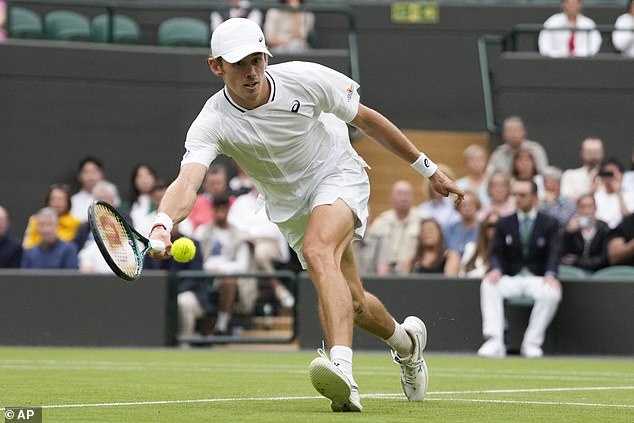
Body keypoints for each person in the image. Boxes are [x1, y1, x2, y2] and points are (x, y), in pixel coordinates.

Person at [148, 18, 464, 412]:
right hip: (289, 207)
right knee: (355, 304)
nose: (251, 71)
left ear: (266, 56)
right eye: (238, 63)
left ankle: (343, 371)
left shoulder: (305, 79)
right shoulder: (212, 120)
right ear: (216, 67)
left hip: (337, 174)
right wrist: (162, 224)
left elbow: (367, 120)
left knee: (318, 251)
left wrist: (430, 171)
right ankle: (407, 344)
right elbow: (187, 181)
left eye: (256, 59)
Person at [478, 179, 562, 359]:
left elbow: (555, 251)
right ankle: (494, 341)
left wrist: (551, 274)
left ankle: (532, 343)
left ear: (534, 197)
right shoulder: (503, 223)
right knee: (488, 284)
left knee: (552, 292)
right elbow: (495, 253)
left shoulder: (549, 223)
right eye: (515, 194)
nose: (517, 199)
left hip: (538, 279)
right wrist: (496, 269)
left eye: (522, 195)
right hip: (511, 278)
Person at [196, 193, 254, 335]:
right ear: (212, 209)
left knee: (228, 281)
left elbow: (242, 265)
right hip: (204, 277)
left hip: (232, 279)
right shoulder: (201, 232)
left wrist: (221, 269)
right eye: (217, 208)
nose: (220, 212)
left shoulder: (240, 235)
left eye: (223, 208)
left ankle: (221, 326)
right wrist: (209, 268)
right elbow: (197, 261)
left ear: (229, 209)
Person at [227, 185, 295, 308]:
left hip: (271, 244)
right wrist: (248, 237)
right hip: (246, 243)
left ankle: (277, 288)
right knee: (249, 256)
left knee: (260, 252)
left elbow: (278, 229)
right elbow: (232, 225)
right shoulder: (241, 201)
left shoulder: (276, 199)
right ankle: (250, 305)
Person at [144, 224, 207, 343]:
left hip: (191, 295)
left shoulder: (193, 244)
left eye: (174, 223)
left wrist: (172, 293)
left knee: (183, 301)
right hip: (160, 293)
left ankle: (185, 342)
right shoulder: (153, 248)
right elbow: (147, 274)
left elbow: (194, 278)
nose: (171, 228)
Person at [362, 180, 421, 275]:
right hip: (383, 276)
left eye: (407, 194)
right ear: (391, 198)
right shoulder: (380, 222)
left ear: (413, 198)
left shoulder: (422, 221)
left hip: (414, 275)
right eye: (399, 194)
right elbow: (368, 253)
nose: (403, 198)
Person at [76, 180, 125, 273]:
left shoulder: (126, 222)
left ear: (114, 201)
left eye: (107, 199)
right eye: (100, 199)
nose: (103, 203)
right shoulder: (85, 227)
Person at [561, 194, 610, 273]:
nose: (586, 211)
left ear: (595, 208)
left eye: (590, 206)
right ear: (578, 209)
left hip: (598, 272)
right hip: (575, 272)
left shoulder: (604, 229)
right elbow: (563, 254)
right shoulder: (571, 229)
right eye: (583, 207)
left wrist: (578, 261)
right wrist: (568, 232)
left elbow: (604, 258)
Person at [182, 164, 235, 236]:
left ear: (225, 183)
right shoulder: (194, 202)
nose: (215, 187)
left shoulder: (233, 201)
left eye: (219, 183)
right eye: (212, 183)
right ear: (204, 184)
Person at [23, 184, 81, 249]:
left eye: (61, 199)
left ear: (68, 202)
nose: (57, 203)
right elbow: (28, 244)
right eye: (53, 199)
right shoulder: (35, 220)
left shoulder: (76, 223)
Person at [417, 163, 462, 230]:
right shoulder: (422, 209)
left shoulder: (456, 204)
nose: (440, 186)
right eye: (435, 182)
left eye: (442, 182)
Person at [594, 159, 634, 228]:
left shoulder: (631, 195)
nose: (610, 177)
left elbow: (628, 219)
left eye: (612, 172)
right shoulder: (596, 195)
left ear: (621, 175)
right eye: (607, 173)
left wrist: (618, 193)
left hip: (620, 233)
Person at [459, 211, 499, 278]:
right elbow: (462, 276)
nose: (494, 229)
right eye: (490, 226)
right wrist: (485, 269)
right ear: (484, 228)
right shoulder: (471, 247)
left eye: (498, 225)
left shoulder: (507, 250)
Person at [123, 164, 158, 237]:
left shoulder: (162, 201)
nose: (145, 179)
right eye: (140, 176)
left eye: (148, 174)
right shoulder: (127, 206)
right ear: (134, 181)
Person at [444, 190, 481, 257]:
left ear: (477, 206)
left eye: (471, 204)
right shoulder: (450, 229)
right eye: (464, 205)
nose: (468, 208)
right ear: (458, 208)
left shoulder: (483, 228)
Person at [70, 157, 105, 222]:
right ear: (79, 176)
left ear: (101, 174)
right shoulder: (72, 201)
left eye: (94, 172)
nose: (90, 176)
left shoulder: (111, 199)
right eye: (86, 172)